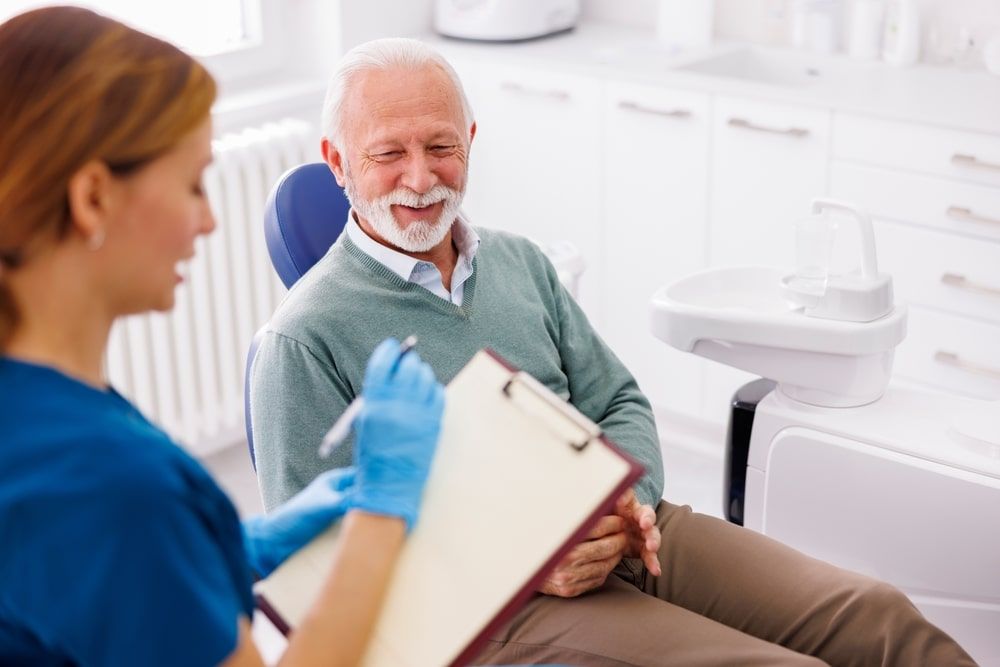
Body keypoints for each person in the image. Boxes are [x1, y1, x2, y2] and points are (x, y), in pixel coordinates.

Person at [249, 37, 976, 666]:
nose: (420, 176)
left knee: (880, 619)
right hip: (495, 608)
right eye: (388, 154)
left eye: (441, 146)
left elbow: (618, 400)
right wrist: (527, 559)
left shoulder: (517, 262)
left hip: (621, 528)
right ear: (336, 162)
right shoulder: (302, 340)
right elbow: (323, 574)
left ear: (471, 139)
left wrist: (628, 503)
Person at [0, 8, 446, 666]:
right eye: (191, 184)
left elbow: (71, 587)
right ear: (92, 197)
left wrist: (228, 547)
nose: (208, 220)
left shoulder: (39, 406)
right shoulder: (113, 485)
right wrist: (383, 509)